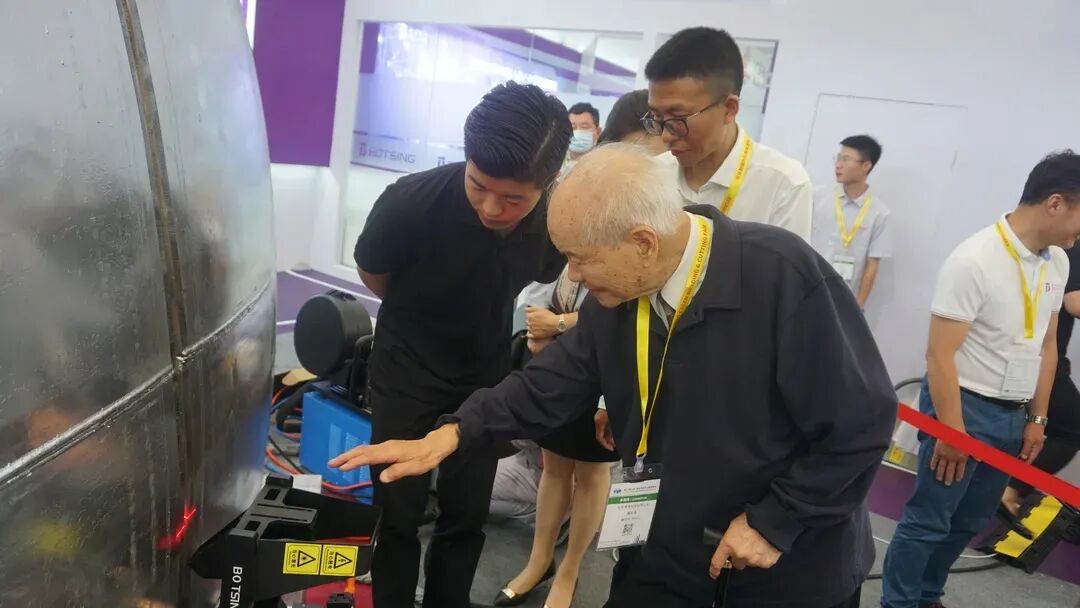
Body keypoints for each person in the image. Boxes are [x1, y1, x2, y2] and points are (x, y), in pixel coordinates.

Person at [333, 144, 897, 608]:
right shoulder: (621, 295)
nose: (572, 276)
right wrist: (453, 433)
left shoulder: (781, 274)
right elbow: (548, 383)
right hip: (664, 549)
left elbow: (863, 423)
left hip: (777, 566)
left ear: (643, 242)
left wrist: (776, 521)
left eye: (581, 259)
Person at [349, 81, 570, 608]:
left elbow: (547, 273)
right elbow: (373, 272)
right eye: (478, 185)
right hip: (406, 369)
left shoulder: (554, 222)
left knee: (465, 517)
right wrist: (423, 315)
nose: (492, 208)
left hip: (483, 375)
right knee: (397, 513)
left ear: (547, 185)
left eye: (513, 199)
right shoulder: (410, 201)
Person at [880, 151, 1080, 608]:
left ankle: (927, 596)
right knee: (930, 519)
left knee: (968, 522)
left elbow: (1048, 346)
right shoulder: (974, 259)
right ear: (1055, 203)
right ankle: (899, 603)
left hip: (1013, 414)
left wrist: (1038, 419)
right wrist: (951, 431)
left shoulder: (1058, 262)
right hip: (964, 407)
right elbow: (939, 355)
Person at [492, 95, 666, 608]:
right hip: (559, 362)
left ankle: (568, 572)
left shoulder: (652, 216)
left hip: (609, 369)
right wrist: (543, 325)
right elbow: (553, 278)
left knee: (591, 472)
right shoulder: (575, 195)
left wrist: (564, 325)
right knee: (554, 466)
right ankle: (537, 561)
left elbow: (629, 307)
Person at [645, 27, 813, 240]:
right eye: (657, 117)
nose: (665, 137)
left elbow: (785, 263)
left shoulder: (783, 186)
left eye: (678, 118)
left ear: (729, 108)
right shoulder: (651, 176)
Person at [1002, 242, 1080, 513]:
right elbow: (1074, 302)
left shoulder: (1058, 252)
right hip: (1038, 358)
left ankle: (1010, 487)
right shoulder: (1073, 250)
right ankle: (1010, 489)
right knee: (1072, 429)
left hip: (1043, 355)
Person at [810, 135, 892, 308]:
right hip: (805, 288)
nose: (838, 165)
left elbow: (872, 264)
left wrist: (858, 307)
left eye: (846, 159)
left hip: (841, 299)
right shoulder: (816, 198)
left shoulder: (879, 213)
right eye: (838, 158)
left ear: (866, 166)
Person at [565, 102, 602, 174]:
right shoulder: (555, 163)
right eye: (573, 127)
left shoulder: (605, 164)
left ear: (598, 132)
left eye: (584, 127)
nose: (578, 132)